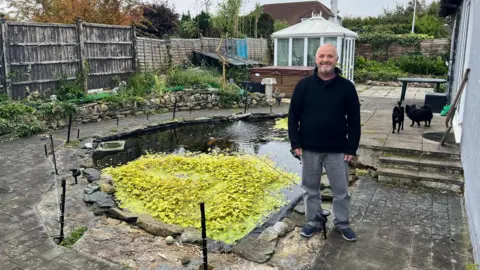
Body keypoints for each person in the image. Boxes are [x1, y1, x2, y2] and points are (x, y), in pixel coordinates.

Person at [287, 43, 361, 241]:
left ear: (336, 60)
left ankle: (342, 223)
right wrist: (295, 143)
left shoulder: (347, 87)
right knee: (310, 190)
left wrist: (351, 146)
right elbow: (293, 116)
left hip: (338, 150)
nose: (325, 59)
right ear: (316, 59)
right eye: (322, 56)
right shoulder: (304, 85)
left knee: (341, 191)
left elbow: (354, 120)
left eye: (330, 56)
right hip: (309, 148)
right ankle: (314, 221)